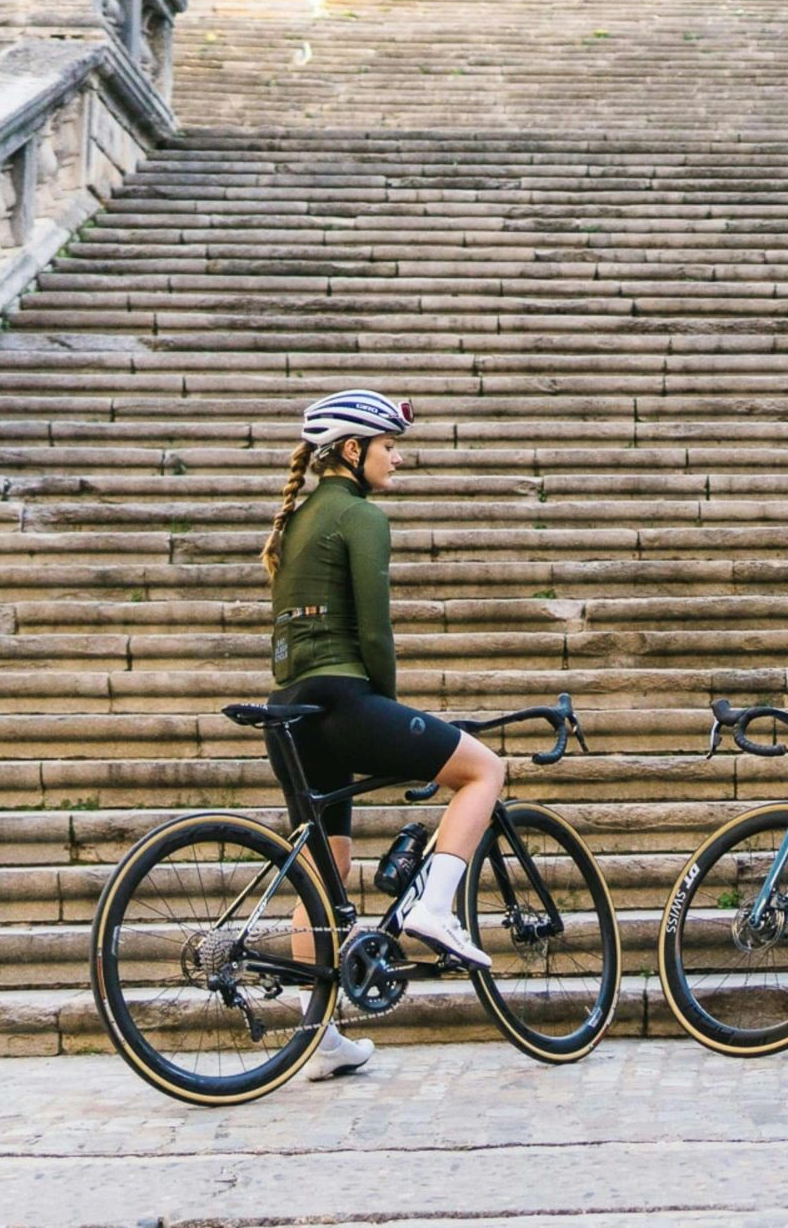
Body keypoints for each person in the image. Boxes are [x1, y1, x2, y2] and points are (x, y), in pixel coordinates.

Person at [261, 389, 509, 1077]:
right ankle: (433, 908)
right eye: (389, 446)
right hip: (344, 703)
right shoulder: (360, 517)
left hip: (290, 709)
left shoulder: (300, 517)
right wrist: (395, 717)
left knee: (325, 873)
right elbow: (375, 632)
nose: (398, 457)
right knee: (483, 771)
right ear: (352, 450)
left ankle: (317, 1039)